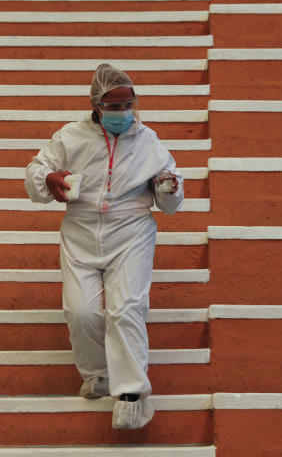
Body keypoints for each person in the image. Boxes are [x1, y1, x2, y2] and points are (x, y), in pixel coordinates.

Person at [25, 63, 183, 429]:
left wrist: (169, 187)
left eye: (129, 104)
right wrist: (48, 179)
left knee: (126, 308)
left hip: (131, 233)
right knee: (82, 313)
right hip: (79, 234)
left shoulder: (148, 141)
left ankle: (133, 396)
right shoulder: (70, 137)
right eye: (114, 106)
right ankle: (99, 375)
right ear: (96, 105)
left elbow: (172, 193)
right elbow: (37, 171)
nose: (123, 113)